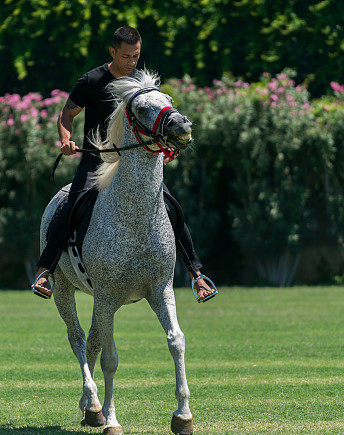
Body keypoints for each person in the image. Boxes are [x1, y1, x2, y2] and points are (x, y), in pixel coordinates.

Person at [31, 26, 216, 301]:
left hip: (134, 163)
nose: (132, 62)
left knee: (171, 207)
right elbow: (66, 116)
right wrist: (66, 140)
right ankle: (45, 271)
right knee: (71, 204)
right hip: (96, 161)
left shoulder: (142, 85)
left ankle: (198, 275)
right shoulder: (91, 81)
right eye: (126, 56)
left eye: (136, 56)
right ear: (113, 52)